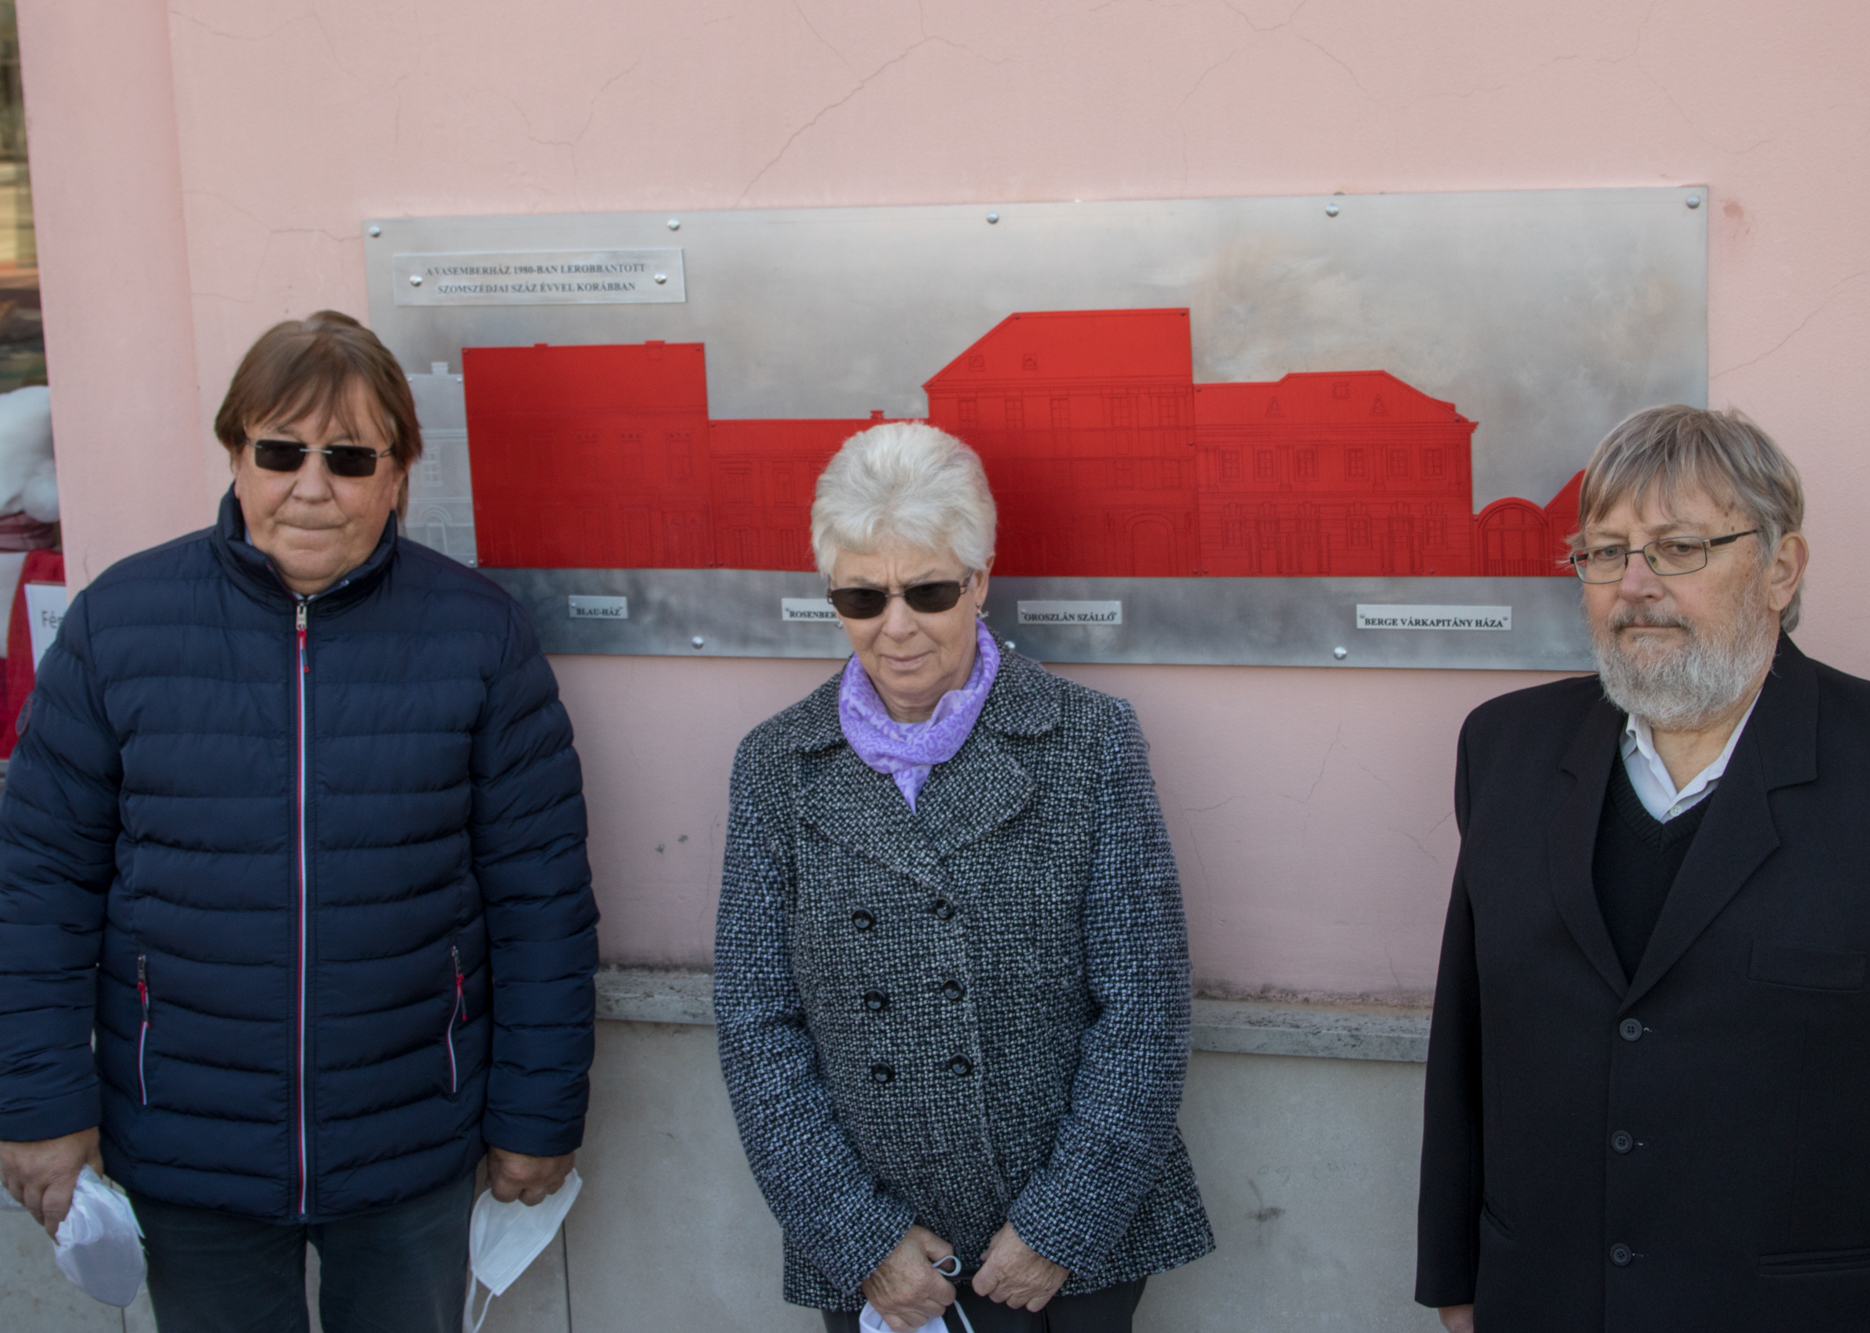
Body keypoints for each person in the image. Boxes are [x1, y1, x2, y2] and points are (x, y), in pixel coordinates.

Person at [0, 311, 598, 1332]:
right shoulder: (118, 625)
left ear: (397, 473)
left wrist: (537, 1113)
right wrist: (41, 1106)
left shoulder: (479, 636)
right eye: (280, 451)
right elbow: (37, 888)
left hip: (410, 1142)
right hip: (188, 1145)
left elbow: (540, 897)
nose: (311, 486)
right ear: (237, 455)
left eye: (350, 457)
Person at [1414, 406, 1870, 1331]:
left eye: (1679, 547)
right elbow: (1470, 1029)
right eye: (1604, 552)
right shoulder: (1506, 749)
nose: (1634, 585)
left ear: (1781, 568)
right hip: (1546, 1300)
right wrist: (1456, 1271)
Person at [715, 422, 1213, 1333]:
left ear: (980, 582)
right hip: (882, 1260)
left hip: (1065, 1253)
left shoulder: (1087, 740)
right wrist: (859, 1235)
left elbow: (1144, 1003)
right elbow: (756, 1023)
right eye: (863, 596)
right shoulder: (776, 764)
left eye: (929, 590)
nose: (896, 626)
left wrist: (1060, 1224)